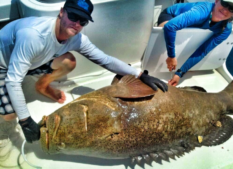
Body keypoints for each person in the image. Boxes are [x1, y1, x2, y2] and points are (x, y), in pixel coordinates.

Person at [0, 0, 168, 143]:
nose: (77, 24)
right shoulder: (33, 36)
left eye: (83, 21)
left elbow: (105, 60)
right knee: (11, 115)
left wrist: (140, 75)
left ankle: (42, 86)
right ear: (61, 12)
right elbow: (13, 81)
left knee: (69, 62)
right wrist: (26, 121)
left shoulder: (77, 38)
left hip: (32, 60)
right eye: (73, 16)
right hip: (3, 66)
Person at [158, 0, 233, 86]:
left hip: (189, 26)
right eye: (225, 4)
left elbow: (203, 50)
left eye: (231, 8)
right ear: (217, 1)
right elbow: (170, 26)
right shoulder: (202, 11)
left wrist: (180, 73)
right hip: (171, 15)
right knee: (162, 34)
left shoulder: (225, 30)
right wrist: (171, 56)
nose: (225, 10)